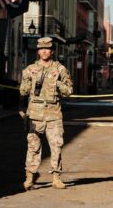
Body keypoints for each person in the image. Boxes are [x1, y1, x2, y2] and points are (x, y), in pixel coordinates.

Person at [19, 37, 73, 190]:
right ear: (38, 52)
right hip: (35, 115)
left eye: (47, 49)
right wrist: (29, 80)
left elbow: (69, 91)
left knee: (56, 146)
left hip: (53, 114)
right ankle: (30, 177)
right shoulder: (30, 69)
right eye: (41, 49)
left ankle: (56, 178)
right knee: (33, 147)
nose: (44, 51)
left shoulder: (60, 69)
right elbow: (22, 91)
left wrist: (57, 83)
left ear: (52, 51)